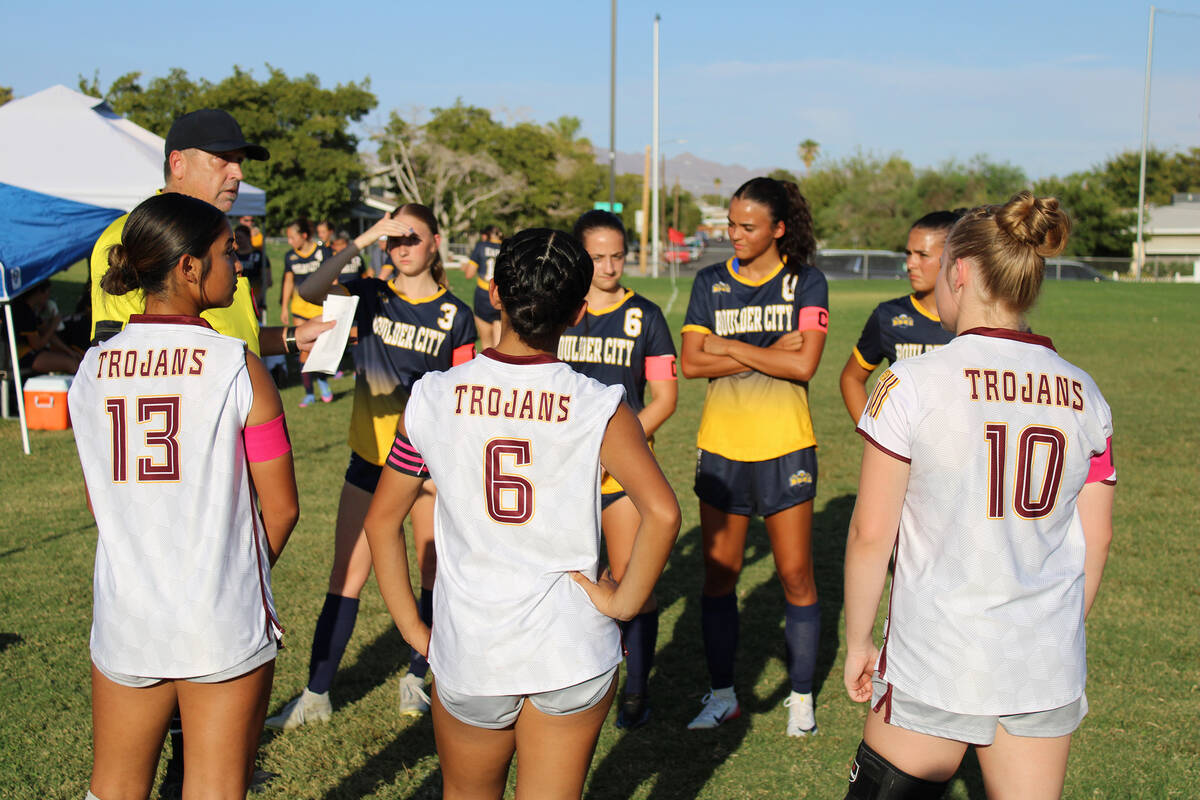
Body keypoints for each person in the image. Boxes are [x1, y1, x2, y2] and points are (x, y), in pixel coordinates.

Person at [362, 228, 680, 799]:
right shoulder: (600, 404)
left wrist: (415, 630)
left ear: (495, 295)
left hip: (472, 649)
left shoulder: (433, 396)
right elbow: (662, 512)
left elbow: (381, 521)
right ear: (580, 312)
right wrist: (623, 602)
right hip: (571, 648)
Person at [842, 192, 1115, 799]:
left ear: (959, 273)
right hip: (1042, 661)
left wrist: (860, 641)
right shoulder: (1085, 393)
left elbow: (869, 534)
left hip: (936, 653)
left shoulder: (912, 383)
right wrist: (1050, 628)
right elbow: (1097, 539)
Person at [68, 192, 299, 800]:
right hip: (218, 617)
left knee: (113, 788)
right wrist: (230, 580)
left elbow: (104, 505)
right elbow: (281, 507)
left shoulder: (91, 368)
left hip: (127, 613)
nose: (239, 265)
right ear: (188, 268)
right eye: (229, 252)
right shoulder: (235, 365)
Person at [266, 204, 476, 730]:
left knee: (430, 572)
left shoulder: (458, 314)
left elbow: (465, 395)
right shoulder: (370, 294)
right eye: (394, 239)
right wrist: (362, 240)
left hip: (426, 469)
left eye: (413, 238)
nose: (402, 247)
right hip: (369, 458)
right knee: (347, 575)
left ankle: (418, 675)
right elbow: (308, 294)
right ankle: (316, 694)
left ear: (435, 244)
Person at [679, 176, 828, 736]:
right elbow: (691, 364)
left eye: (747, 226)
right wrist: (768, 351)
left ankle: (801, 697)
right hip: (721, 447)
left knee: (794, 575)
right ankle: (723, 696)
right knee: (721, 576)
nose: (734, 235)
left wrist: (728, 346)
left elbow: (804, 366)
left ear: (778, 229)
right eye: (731, 224)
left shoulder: (806, 283)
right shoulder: (709, 282)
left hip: (786, 443)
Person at [559, 210, 677, 729]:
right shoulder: (560, 312)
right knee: (565, 576)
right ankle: (569, 675)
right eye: (596, 257)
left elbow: (666, 398)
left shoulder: (645, 315)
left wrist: (616, 450)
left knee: (632, 580)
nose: (607, 267)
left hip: (621, 474)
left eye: (616, 256)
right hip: (560, 472)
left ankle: (635, 690)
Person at [88, 108, 328, 357]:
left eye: (240, 161)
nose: (238, 173)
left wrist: (294, 337)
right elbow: (121, 357)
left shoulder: (220, 235)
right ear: (178, 164)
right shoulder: (133, 233)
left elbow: (235, 338)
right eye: (223, 158)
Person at [839, 211, 961, 423]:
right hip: (907, 453)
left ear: (953, 257)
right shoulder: (888, 316)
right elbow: (851, 378)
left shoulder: (980, 318)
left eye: (923, 255)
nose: (910, 264)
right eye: (908, 254)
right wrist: (874, 435)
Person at [279, 219, 334, 406]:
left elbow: (332, 277)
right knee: (304, 350)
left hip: (320, 309)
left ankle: (323, 380)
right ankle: (309, 393)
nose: (289, 242)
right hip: (300, 310)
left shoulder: (322, 252)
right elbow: (288, 281)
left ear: (303, 236)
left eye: (292, 237)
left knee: (321, 349)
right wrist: (284, 306)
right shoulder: (290, 257)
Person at [11, 281, 82, 375]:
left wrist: (70, 352)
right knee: (71, 364)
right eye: (48, 292)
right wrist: (53, 325)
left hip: (32, 353)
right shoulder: (24, 312)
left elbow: (49, 334)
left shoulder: (31, 310)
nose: (48, 296)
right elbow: (37, 345)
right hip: (21, 356)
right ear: (40, 292)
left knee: (73, 360)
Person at [462, 225, 503, 347]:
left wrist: (465, 267)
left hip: (483, 294)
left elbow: (469, 274)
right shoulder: (507, 247)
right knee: (499, 345)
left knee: (486, 345)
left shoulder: (481, 246)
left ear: (486, 235)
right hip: (501, 295)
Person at [234, 223, 271, 320]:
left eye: (240, 237)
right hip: (236, 301)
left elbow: (267, 280)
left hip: (256, 299)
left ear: (248, 237)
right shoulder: (232, 255)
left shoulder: (259, 255)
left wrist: (258, 298)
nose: (238, 240)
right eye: (236, 237)